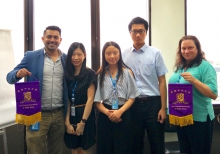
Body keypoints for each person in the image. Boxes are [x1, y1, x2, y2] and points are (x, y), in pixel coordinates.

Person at [6, 26, 68, 154]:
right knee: (35, 150)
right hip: (36, 114)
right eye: (49, 37)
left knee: (58, 151)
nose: (52, 40)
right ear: (43, 39)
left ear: (60, 40)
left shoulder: (66, 59)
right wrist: (17, 73)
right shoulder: (31, 56)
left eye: (55, 37)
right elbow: (9, 77)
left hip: (59, 114)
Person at [122, 17, 168, 154]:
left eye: (141, 31)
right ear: (130, 33)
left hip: (153, 105)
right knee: (134, 144)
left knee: (157, 143)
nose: (137, 34)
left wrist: (163, 108)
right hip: (132, 104)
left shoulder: (155, 53)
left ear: (146, 32)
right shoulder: (123, 55)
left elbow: (162, 81)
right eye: (134, 31)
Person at [168, 35, 218, 154]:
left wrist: (194, 81)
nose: (186, 51)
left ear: (198, 49)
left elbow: (213, 94)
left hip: (199, 119)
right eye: (183, 48)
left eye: (190, 48)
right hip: (181, 117)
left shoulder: (205, 66)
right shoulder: (180, 67)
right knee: (185, 151)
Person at [94, 41, 139, 154]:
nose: (112, 56)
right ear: (104, 55)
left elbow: (132, 97)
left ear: (119, 53)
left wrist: (120, 111)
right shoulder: (100, 74)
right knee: (105, 147)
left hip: (124, 113)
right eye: (108, 53)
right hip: (105, 114)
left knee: (123, 147)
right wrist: (109, 113)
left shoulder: (128, 72)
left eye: (115, 52)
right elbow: (97, 101)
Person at [64, 42, 96, 154]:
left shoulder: (90, 74)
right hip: (72, 115)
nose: (76, 58)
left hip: (86, 116)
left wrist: (83, 122)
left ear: (85, 55)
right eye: (73, 54)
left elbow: (90, 100)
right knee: (74, 149)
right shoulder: (68, 74)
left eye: (79, 54)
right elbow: (67, 99)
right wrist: (67, 122)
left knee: (86, 149)